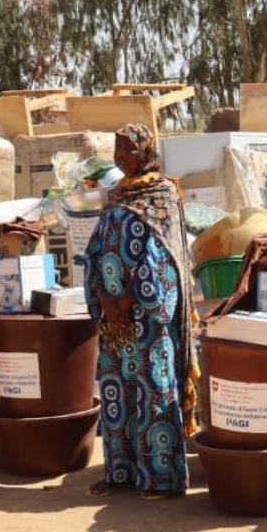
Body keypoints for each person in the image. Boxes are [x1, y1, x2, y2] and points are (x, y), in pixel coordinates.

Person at [83, 123, 199, 499]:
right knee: (117, 392)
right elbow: (97, 247)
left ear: (146, 151)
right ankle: (120, 473)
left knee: (153, 391)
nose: (120, 157)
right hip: (112, 315)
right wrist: (103, 297)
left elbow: (164, 255)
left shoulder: (163, 193)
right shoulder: (116, 194)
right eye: (117, 149)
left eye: (128, 149)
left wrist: (132, 299)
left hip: (147, 316)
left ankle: (161, 478)